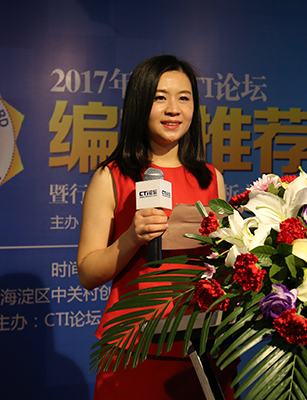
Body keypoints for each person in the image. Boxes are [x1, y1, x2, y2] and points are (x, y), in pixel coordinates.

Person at [77, 55, 236, 399]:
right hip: (134, 349)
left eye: (184, 98)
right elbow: (88, 273)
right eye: (160, 97)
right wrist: (133, 237)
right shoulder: (111, 177)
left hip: (203, 347)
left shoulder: (211, 179)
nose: (173, 109)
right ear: (139, 104)